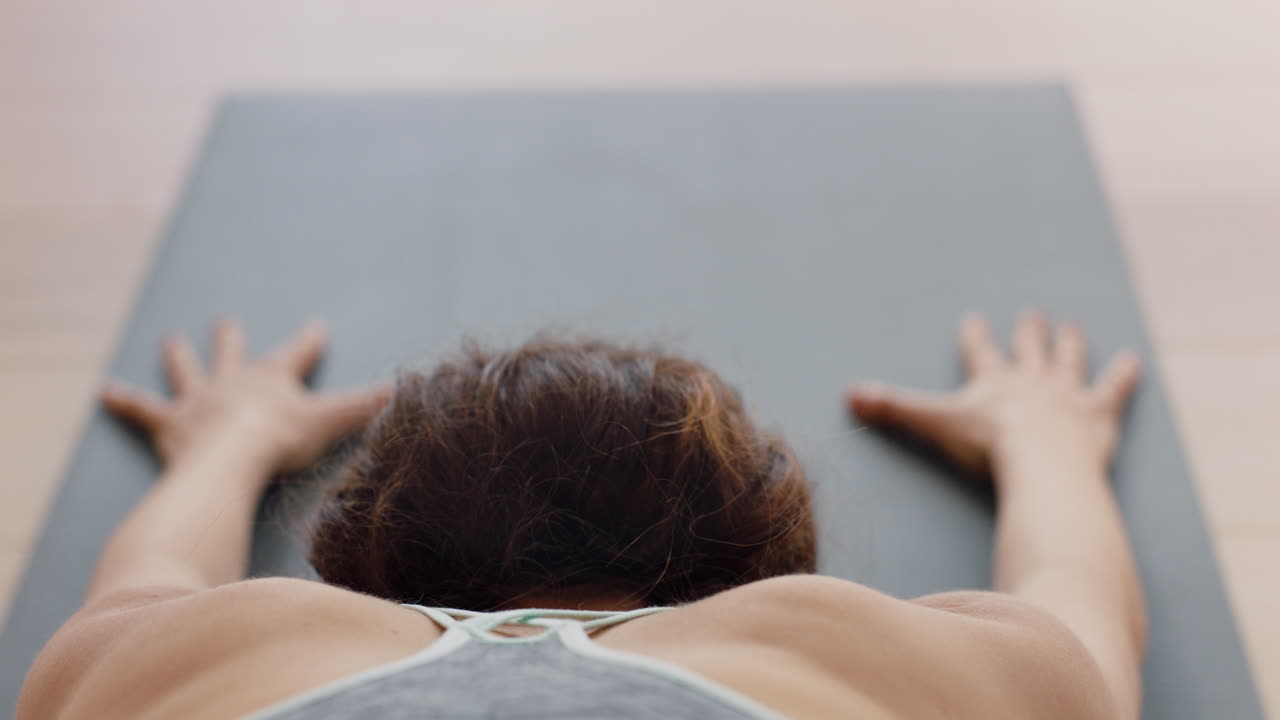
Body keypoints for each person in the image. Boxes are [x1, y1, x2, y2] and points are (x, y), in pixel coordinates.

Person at [17, 310, 1146, 720]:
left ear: (369, 558)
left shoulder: (210, 649)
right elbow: (1082, 611)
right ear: (745, 558)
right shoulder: (829, 641)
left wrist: (233, 435)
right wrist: (1042, 433)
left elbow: (156, 557)